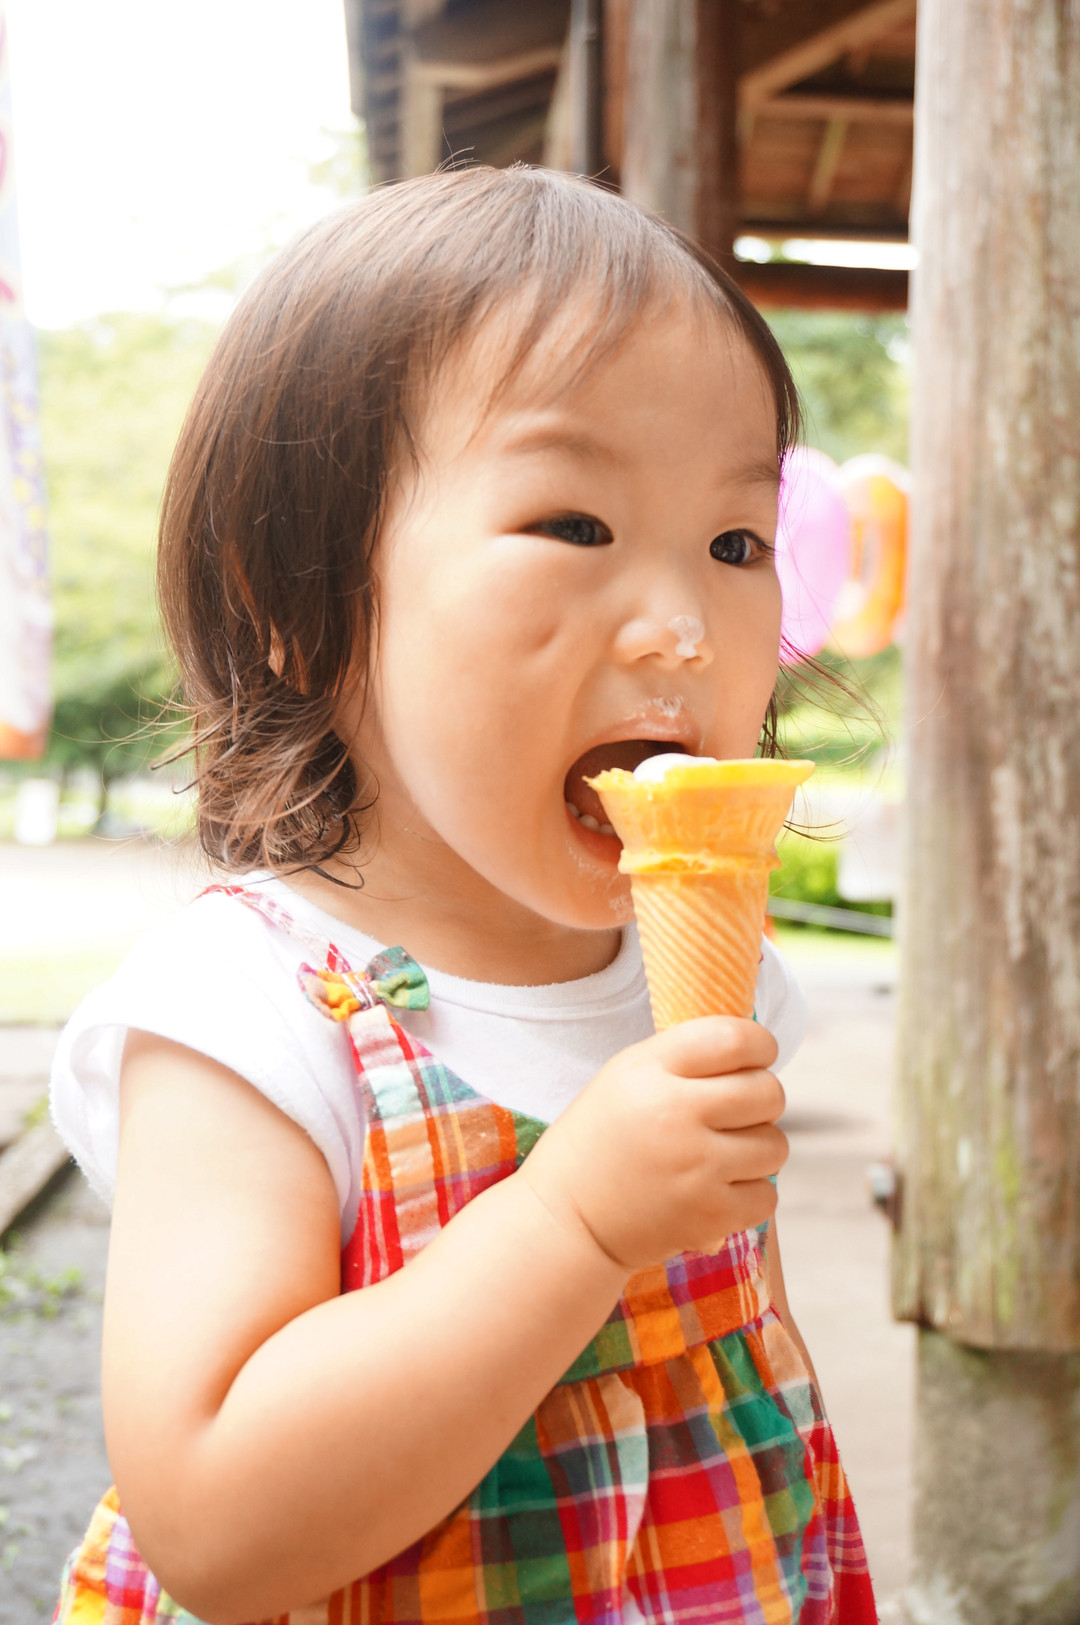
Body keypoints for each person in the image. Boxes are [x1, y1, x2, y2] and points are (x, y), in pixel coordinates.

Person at [50, 166, 876, 1625]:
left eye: (736, 543)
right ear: (301, 602)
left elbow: (735, 1374)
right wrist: (574, 1223)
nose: (683, 627)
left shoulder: (705, 974)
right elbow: (215, 1526)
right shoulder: (250, 1015)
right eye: (575, 524)